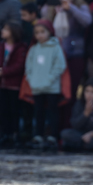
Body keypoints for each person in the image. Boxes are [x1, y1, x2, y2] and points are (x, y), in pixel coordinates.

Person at [41, 0, 91, 109]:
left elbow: (87, 21)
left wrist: (71, 8)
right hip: (55, 54)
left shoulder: (80, 6)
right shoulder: (54, 8)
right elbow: (44, 23)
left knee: (72, 89)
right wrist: (50, 4)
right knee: (56, 90)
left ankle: (69, 123)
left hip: (75, 54)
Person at [25, 19, 66, 149]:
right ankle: (38, 135)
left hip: (51, 86)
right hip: (37, 86)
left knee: (52, 111)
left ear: (49, 32)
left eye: (43, 32)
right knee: (38, 112)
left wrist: (49, 79)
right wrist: (32, 79)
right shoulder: (33, 49)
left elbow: (60, 65)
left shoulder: (55, 47)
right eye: (37, 32)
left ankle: (52, 136)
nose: (40, 35)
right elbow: (28, 67)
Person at [0, 22, 28, 148]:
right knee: (3, 111)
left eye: (6, 29)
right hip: (2, 84)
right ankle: (4, 134)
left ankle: (15, 134)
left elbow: (19, 66)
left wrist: (3, 72)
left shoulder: (21, 48)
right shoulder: (1, 47)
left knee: (14, 111)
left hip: (14, 84)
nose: (2, 31)